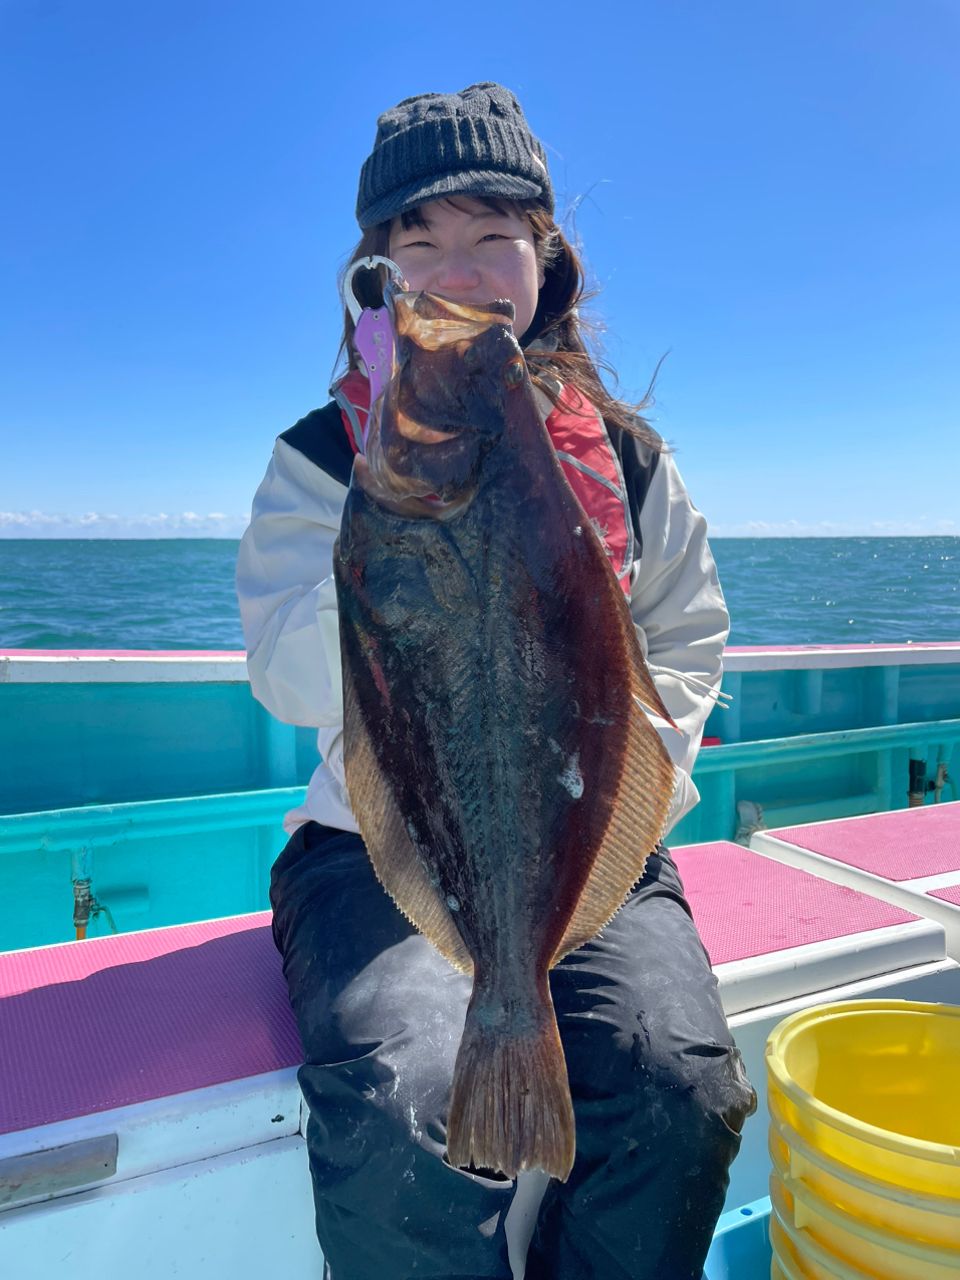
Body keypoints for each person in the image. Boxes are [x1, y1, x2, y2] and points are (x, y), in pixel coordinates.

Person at [237, 82, 756, 1280]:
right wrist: (384, 550)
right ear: (377, 272)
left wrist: (629, 797)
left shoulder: (624, 455)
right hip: (378, 845)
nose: (456, 266)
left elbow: (686, 632)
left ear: (545, 259)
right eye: (418, 238)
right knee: (404, 1088)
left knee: (683, 1080)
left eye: (492, 235)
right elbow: (285, 673)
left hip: (582, 848)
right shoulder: (325, 458)